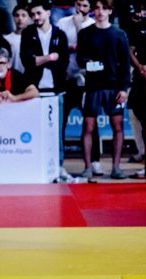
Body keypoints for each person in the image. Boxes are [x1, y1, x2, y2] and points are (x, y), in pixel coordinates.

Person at [77, 0, 131, 179]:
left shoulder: (119, 34)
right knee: (88, 126)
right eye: (97, 8)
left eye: (104, 8)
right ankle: (88, 167)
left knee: (117, 126)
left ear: (110, 11)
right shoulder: (85, 33)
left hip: (114, 87)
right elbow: (79, 59)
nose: (100, 11)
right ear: (93, 10)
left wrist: (124, 89)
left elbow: (125, 64)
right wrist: (90, 64)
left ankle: (116, 168)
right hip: (92, 87)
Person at [57, 0, 98, 178]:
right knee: (60, 122)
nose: (81, 9)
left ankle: (94, 161)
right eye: (79, 4)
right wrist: (69, 48)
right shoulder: (62, 23)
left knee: (90, 122)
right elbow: (57, 48)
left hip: (86, 80)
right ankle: (58, 162)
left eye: (85, 6)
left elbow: (91, 51)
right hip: (66, 79)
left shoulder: (94, 25)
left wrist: (79, 27)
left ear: (91, 8)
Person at [20, 0, 69, 95]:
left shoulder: (60, 35)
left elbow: (63, 62)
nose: (36, 17)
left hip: (57, 87)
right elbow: (27, 61)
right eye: (33, 14)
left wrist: (39, 60)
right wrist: (50, 57)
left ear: (48, 13)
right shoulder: (27, 34)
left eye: (39, 13)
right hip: (33, 88)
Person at [129, 0, 146, 178]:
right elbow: (130, 50)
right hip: (141, 79)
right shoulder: (138, 27)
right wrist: (140, 66)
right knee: (138, 115)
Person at [4, 4, 31, 74]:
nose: (20, 18)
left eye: (23, 15)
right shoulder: (6, 39)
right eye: (17, 15)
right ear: (13, 18)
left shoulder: (33, 38)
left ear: (29, 18)